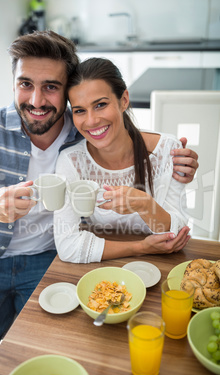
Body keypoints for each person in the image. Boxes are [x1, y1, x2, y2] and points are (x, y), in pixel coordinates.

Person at [0, 31, 198, 375]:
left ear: (65, 92)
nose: (36, 100)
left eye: (51, 87)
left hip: (46, 261)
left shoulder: (81, 131)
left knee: (57, 362)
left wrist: (176, 158)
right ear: (13, 83)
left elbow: (121, 134)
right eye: (25, 84)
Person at [54, 57, 192, 263]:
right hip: (103, 268)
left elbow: (178, 233)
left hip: (161, 264)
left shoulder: (168, 150)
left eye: (100, 104)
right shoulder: (71, 161)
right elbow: (67, 247)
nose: (91, 121)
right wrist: (140, 247)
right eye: (80, 110)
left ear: (124, 100)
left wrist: (145, 204)